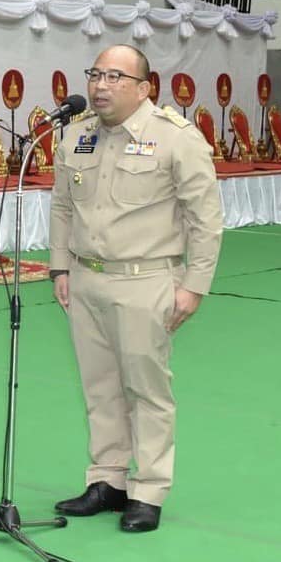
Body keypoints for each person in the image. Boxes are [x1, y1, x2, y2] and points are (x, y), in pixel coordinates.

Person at [49, 45, 223, 533]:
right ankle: (107, 480)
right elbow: (63, 207)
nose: (100, 86)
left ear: (144, 87)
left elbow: (205, 220)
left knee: (146, 390)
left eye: (114, 77)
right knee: (99, 386)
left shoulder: (175, 139)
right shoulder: (77, 136)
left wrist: (195, 285)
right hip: (87, 279)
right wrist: (60, 267)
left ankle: (147, 490)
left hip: (145, 279)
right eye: (95, 75)